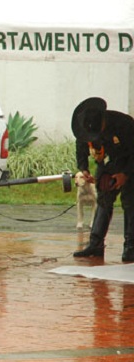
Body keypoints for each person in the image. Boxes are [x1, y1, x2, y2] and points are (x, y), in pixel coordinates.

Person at [70, 97, 134, 262]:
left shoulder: (125, 124)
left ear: (103, 120)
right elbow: (81, 145)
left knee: (130, 202)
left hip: (129, 162)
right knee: (104, 200)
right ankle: (95, 245)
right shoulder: (86, 127)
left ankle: (130, 247)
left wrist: (125, 174)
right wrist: (84, 168)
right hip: (109, 163)